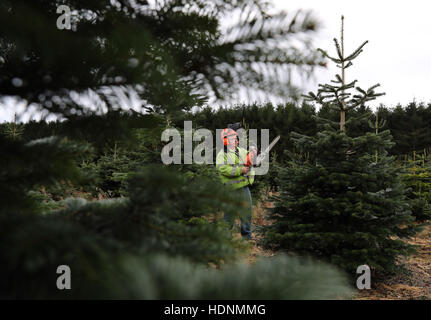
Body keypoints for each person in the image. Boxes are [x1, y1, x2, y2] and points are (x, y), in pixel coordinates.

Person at [216, 127, 255, 240]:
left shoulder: (242, 151)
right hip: (231, 188)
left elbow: (250, 160)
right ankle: (225, 237)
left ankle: (247, 235)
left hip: (244, 187)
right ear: (225, 140)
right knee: (229, 214)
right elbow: (222, 168)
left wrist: (255, 157)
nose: (236, 140)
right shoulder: (222, 154)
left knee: (247, 212)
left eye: (236, 138)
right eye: (233, 139)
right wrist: (240, 170)